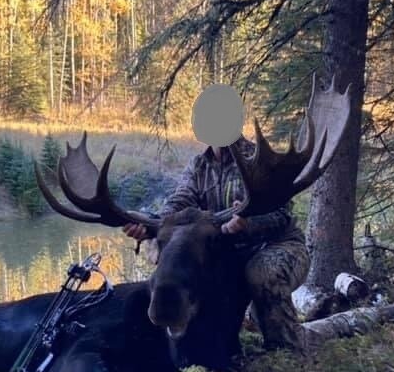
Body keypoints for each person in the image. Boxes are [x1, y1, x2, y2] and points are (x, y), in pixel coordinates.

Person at [122, 135, 310, 353]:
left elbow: (282, 214)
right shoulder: (200, 165)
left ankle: (286, 351)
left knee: (259, 272)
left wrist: (248, 222)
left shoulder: (258, 159)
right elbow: (180, 202)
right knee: (179, 258)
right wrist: (153, 226)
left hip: (278, 247)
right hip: (233, 253)